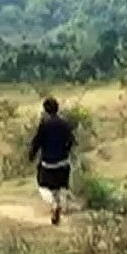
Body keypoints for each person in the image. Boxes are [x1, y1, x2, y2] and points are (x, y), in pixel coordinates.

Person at [27, 96, 76, 225]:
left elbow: (36, 143)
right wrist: (65, 152)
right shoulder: (65, 124)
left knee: (44, 185)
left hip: (48, 163)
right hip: (63, 162)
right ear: (57, 108)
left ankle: (55, 205)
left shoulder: (44, 125)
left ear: (45, 110)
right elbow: (71, 141)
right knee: (62, 186)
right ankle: (60, 204)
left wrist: (31, 156)